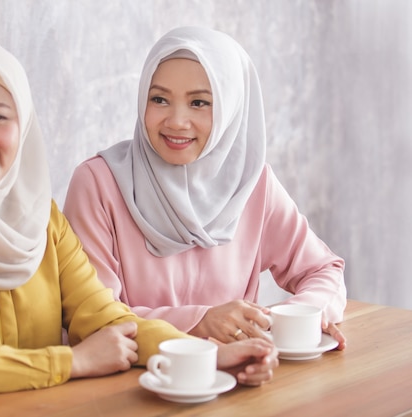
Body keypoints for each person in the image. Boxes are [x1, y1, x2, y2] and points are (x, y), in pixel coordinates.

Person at [0, 38, 279, 413]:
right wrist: (69, 363)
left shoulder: (44, 223)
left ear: (23, 125)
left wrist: (205, 356)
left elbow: (106, 318)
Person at [63, 26, 347, 348]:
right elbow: (91, 319)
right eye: (159, 99)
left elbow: (324, 270)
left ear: (230, 108)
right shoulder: (98, 184)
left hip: (239, 379)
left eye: (199, 103)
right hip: (131, 384)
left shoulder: (252, 185)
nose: (176, 121)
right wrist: (200, 321)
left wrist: (295, 318)